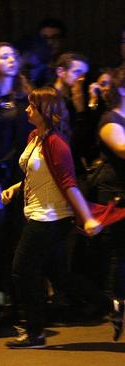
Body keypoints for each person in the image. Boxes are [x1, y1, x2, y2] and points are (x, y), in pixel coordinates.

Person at [0, 86, 123, 348]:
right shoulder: (35, 137)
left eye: (32, 106)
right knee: (59, 275)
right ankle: (112, 305)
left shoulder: (57, 144)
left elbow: (69, 184)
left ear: (46, 111)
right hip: (38, 213)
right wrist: (15, 188)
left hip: (50, 218)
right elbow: (36, 174)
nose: (27, 109)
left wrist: (88, 218)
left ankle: (35, 333)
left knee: (22, 270)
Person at [0, 42, 33, 312]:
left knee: (17, 239)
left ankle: (19, 303)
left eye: (13, 55)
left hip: (20, 175)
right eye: (4, 56)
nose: (11, 59)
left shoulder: (25, 99)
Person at [95, 66, 125, 340]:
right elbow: (122, 149)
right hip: (116, 197)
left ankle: (117, 302)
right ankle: (116, 302)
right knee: (120, 253)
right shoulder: (110, 119)